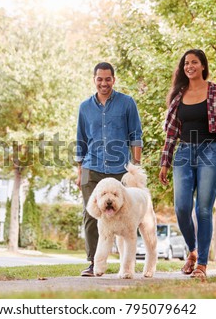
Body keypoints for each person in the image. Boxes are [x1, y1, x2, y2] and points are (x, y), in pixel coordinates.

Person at [158, 49, 216, 280]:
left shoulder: (215, 91)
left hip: (211, 152)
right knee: (182, 208)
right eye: (186, 63)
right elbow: (171, 133)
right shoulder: (179, 95)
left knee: (203, 209)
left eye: (194, 62)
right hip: (184, 153)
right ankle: (193, 251)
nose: (189, 66)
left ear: (203, 66)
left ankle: (202, 265)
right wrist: (164, 162)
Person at [75, 62, 143, 277]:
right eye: (99, 79)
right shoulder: (84, 107)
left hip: (119, 169)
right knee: (91, 213)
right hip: (90, 167)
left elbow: (136, 136)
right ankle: (94, 263)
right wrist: (79, 172)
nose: (103, 83)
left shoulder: (127, 103)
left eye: (107, 79)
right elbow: (80, 140)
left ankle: (126, 264)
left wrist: (136, 166)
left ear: (113, 79)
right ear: (94, 79)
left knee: (124, 215)